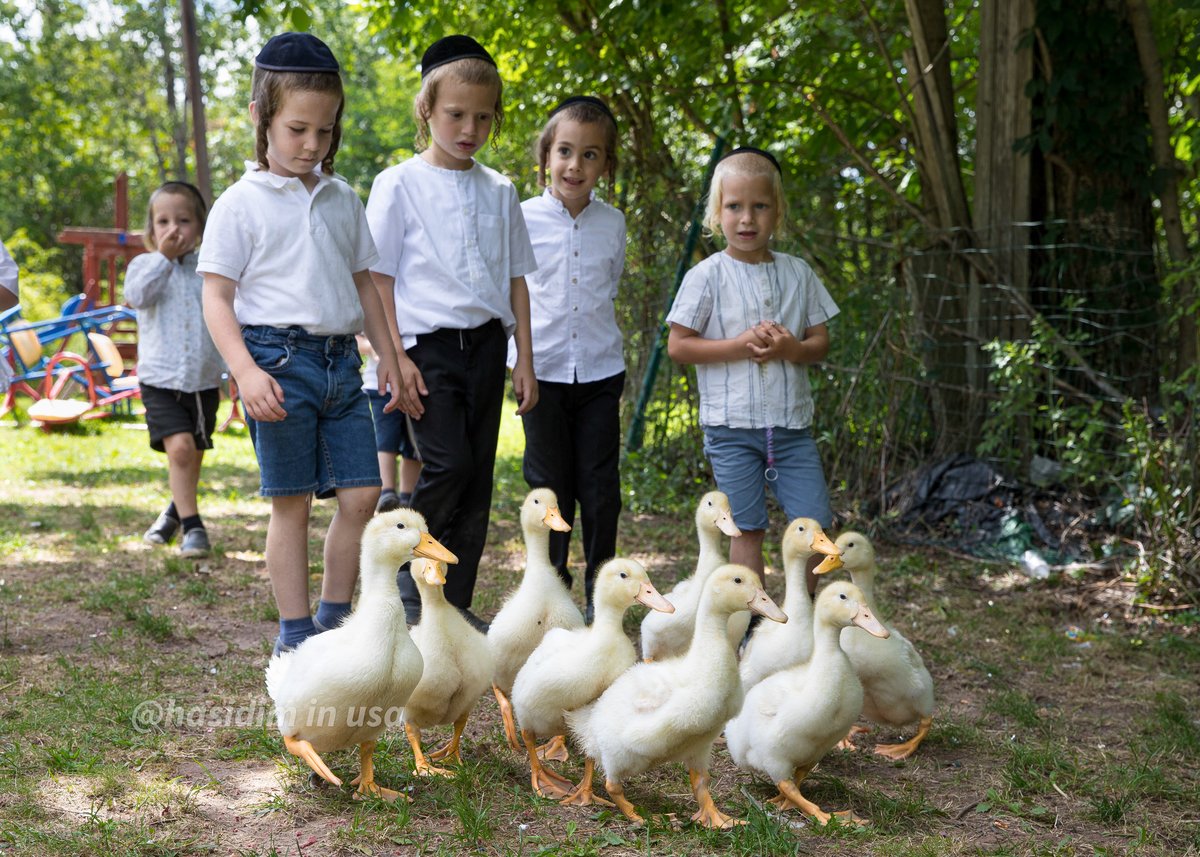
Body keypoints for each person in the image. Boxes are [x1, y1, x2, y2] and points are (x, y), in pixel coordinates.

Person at [198, 32, 402, 655]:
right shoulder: (239, 204)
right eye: (297, 130)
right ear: (261, 118)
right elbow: (215, 297)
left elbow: (366, 284)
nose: (313, 145)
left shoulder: (342, 198)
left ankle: (332, 619)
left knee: (364, 494)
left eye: (326, 132)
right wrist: (245, 373)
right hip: (275, 364)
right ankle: (293, 635)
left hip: (343, 364)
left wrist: (389, 354)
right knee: (290, 505)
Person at [366, 34, 538, 628]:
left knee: (480, 474)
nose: (470, 127)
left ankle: (452, 601)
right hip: (426, 348)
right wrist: (396, 357)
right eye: (456, 114)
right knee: (447, 465)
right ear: (427, 110)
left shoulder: (501, 190)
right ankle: (409, 576)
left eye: (483, 116)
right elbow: (380, 279)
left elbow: (517, 281)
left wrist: (525, 358)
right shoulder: (398, 184)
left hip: (488, 346)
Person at [666, 146, 839, 590]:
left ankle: (799, 620)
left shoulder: (799, 274)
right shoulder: (706, 276)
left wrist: (791, 348)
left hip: (791, 427)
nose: (747, 219)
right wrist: (740, 345)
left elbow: (820, 342)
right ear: (716, 213)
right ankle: (752, 626)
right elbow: (679, 345)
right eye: (734, 207)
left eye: (759, 206)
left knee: (813, 525)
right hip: (730, 428)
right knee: (746, 526)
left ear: (776, 212)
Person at [514, 95, 625, 622]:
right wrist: (521, 364)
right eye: (564, 151)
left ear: (606, 164)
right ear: (545, 156)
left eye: (589, 154)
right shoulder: (521, 218)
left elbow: (610, 286)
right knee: (549, 487)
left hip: (602, 371)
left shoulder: (614, 223)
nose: (574, 165)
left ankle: (601, 590)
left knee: (600, 488)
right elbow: (511, 295)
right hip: (544, 374)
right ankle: (551, 593)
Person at [125, 181, 226, 557]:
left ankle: (173, 512)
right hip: (160, 379)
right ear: (151, 230)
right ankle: (194, 527)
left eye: (183, 220)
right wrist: (164, 259)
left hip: (202, 378)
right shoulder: (145, 266)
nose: (173, 229)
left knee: (193, 451)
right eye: (163, 221)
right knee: (181, 449)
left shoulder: (210, 271)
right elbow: (137, 297)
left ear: (200, 227)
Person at [356, 334, 422, 513]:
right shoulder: (373, 308)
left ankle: (408, 497)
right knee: (385, 440)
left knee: (413, 443)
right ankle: (386, 492)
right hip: (380, 384)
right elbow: (355, 338)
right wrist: (373, 347)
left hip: (414, 381)